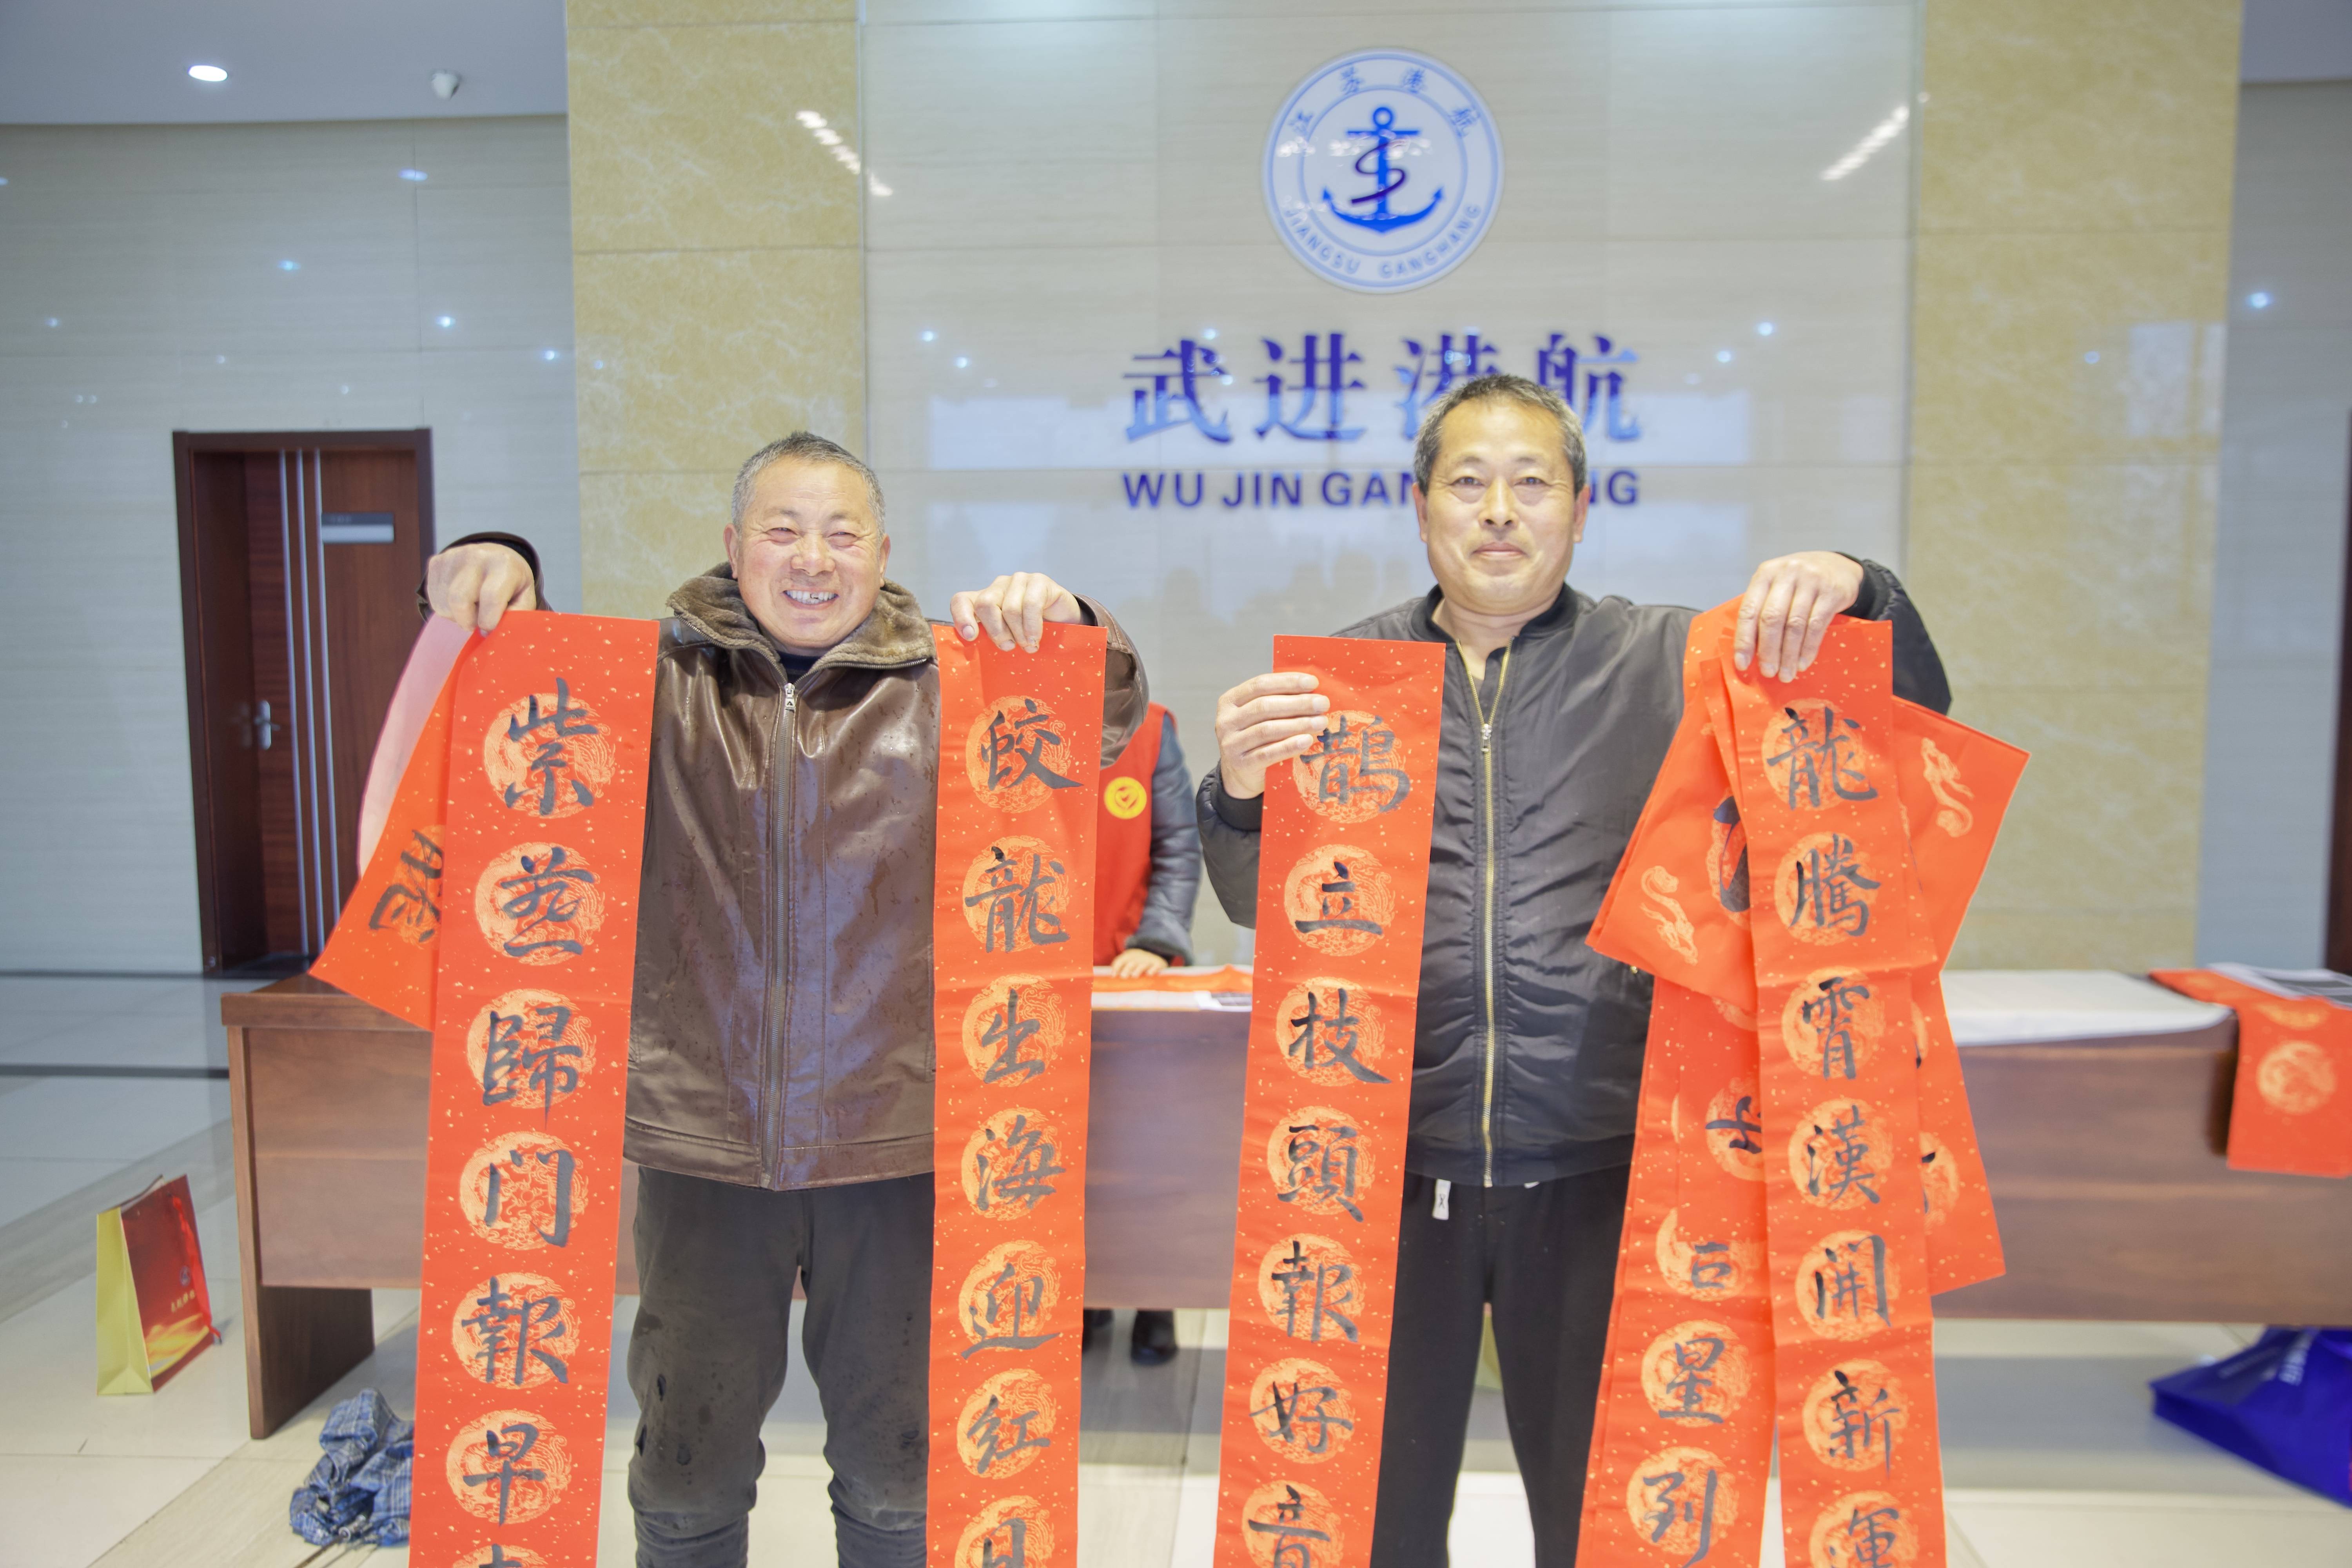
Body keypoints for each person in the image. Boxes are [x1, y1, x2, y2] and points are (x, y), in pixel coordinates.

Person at [1197, 373, 1949, 1568]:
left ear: (1581, 509)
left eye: (1532, 483)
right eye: (1469, 482)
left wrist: (1864, 588)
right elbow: (1259, 903)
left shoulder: (1673, 663)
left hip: (1612, 1168)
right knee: (1373, 1523)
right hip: (1386, 1171)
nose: (1500, 510)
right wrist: (1237, 794)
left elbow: (1900, 714)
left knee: (1611, 1526)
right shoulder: (1343, 683)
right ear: (1420, 505)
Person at [421, 431, 1147, 1568]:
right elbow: (521, 676)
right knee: (686, 1473)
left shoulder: (954, 684)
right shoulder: (659, 683)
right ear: (733, 545)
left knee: (900, 1475)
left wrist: (1071, 621)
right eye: (783, 530)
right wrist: (494, 559)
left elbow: (1107, 712)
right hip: (703, 1140)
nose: (813, 559)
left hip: (894, 1139)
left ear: (884, 553)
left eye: (842, 534)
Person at [1081, 701, 1201, 1365]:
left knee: (1148, 1154)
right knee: (1067, 1153)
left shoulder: (1151, 728)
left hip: (1136, 980)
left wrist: (1157, 941)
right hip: (1039, 980)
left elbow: (1179, 847)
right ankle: (1085, 1295)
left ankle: (1158, 1299)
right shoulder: (1010, 723)